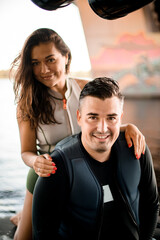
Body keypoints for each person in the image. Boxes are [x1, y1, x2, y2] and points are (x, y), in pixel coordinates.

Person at [10, 28, 145, 240]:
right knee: (23, 238)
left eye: (50, 59)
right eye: (35, 63)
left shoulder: (86, 88)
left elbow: (101, 124)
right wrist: (36, 161)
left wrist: (128, 127)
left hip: (88, 166)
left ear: (66, 57)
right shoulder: (27, 104)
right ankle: (23, 217)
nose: (43, 69)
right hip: (48, 172)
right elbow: (26, 152)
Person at [32, 77, 159, 240]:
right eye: (93, 117)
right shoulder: (59, 165)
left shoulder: (136, 147)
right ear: (79, 117)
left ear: (121, 118)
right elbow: (43, 233)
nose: (102, 128)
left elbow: (151, 204)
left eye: (111, 118)